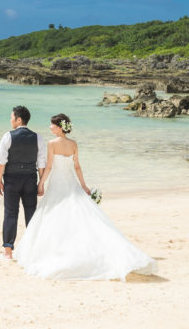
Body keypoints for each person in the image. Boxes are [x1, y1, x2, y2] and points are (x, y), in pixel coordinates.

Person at [15, 114, 157, 280]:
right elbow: (77, 166)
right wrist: (83, 186)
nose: (50, 127)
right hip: (71, 183)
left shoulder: (52, 144)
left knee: (54, 215)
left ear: (59, 127)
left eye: (52, 125)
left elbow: (49, 166)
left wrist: (41, 183)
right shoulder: (73, 144)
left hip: (57, 184)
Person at [0, 105, 46, 259]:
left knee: (10, 213)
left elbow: (1, 161)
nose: (10, 120)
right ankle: (32, 250)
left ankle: (8, 252)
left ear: (18, 120)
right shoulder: (37, 137)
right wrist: (40, 184)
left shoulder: (8, 136)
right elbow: (41, 163)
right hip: (30, 179)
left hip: (12, 179)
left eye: (12, 118)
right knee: (31, 213)